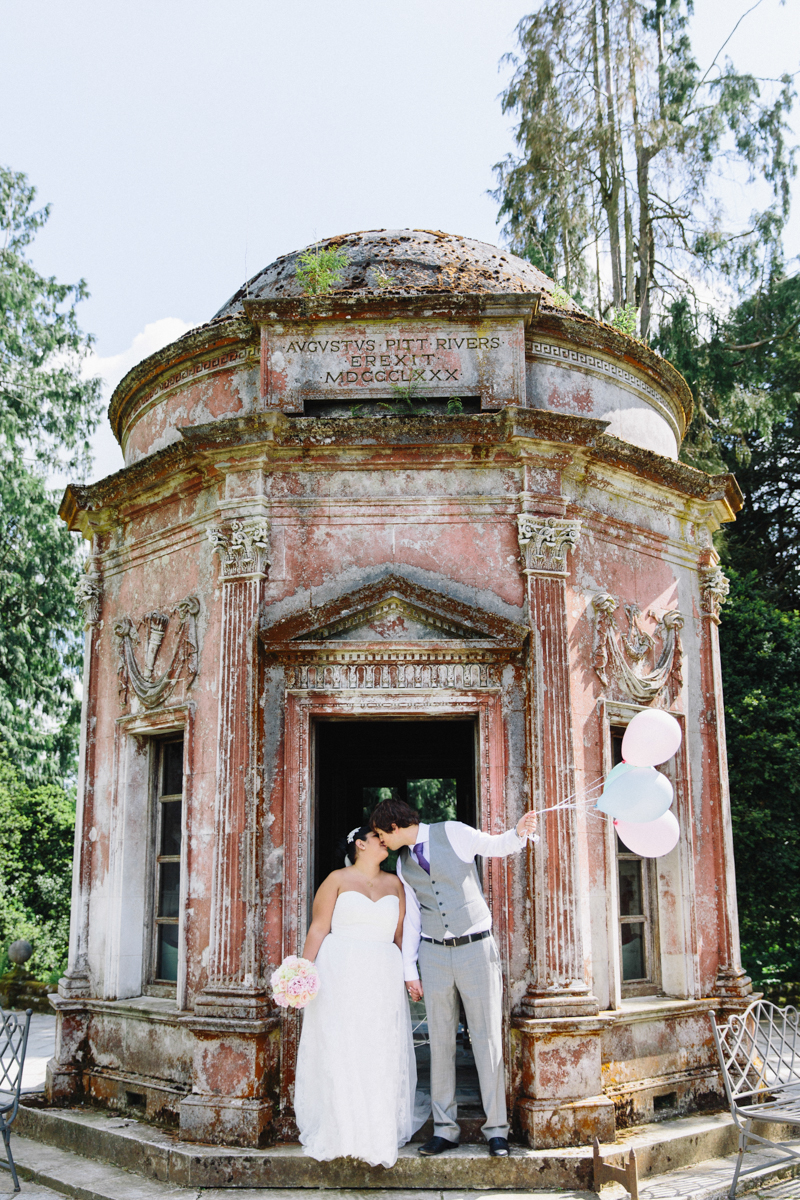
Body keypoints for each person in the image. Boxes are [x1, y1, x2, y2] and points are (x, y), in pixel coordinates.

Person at [371, 798, 539, 1158]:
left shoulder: (452, 831)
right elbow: (413, 917)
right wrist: (410, 970)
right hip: (433, 953)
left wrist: (518, 833)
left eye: (383, 834)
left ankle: (497, 1131)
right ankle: (445, 1130)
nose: (382, 842)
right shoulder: (402, 863)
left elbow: (495, 846)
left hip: (475, 948)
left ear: (395, 826)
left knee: (486, 1039)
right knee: (440, 1042)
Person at [294, 823, 420, 1167]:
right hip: (340, 970)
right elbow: (319, 927)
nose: (385, 841)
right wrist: (302, 973)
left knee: (379, 1045)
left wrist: (410, 975)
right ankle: (342, 1127)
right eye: (378, 836)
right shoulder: (336, 879)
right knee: (343, 1044)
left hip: (382, 972)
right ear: (360, 844)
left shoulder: (396, 883)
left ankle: (375, 1127)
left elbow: (400, 934)